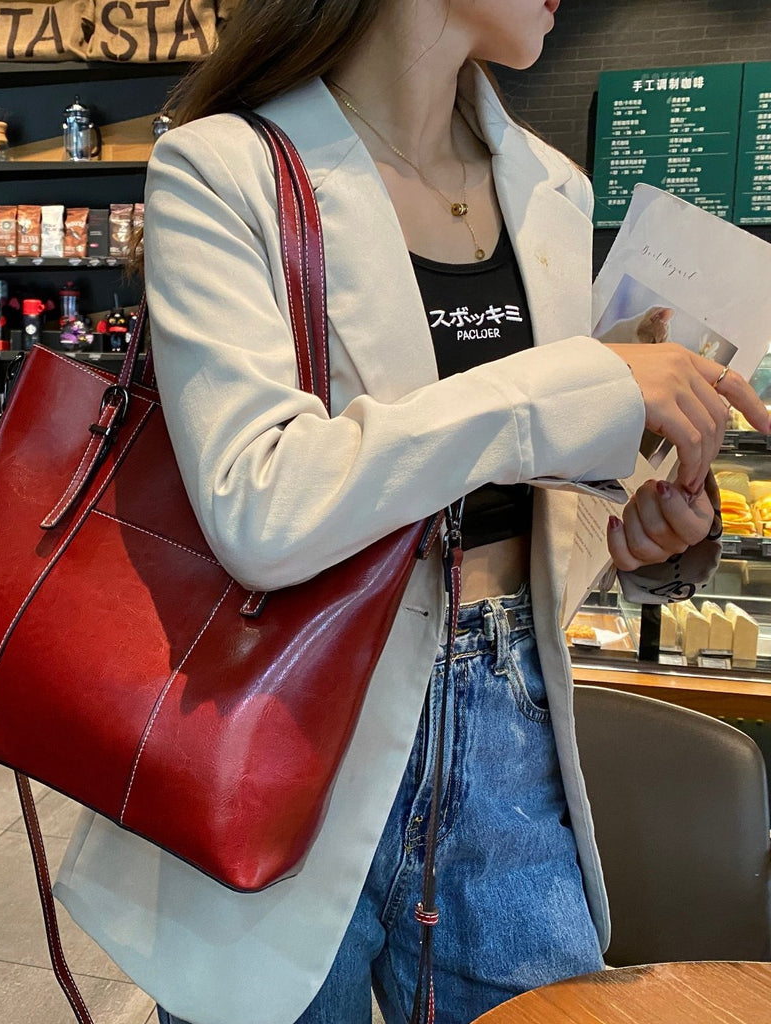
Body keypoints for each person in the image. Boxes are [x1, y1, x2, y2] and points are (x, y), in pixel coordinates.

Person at [54, 2, 770, 1023]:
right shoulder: (226, 170)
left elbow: (542, 501)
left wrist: (651, 541)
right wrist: (568, 388)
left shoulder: (551, 188)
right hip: (288, 725)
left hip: (512, 730)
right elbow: (261, 506)